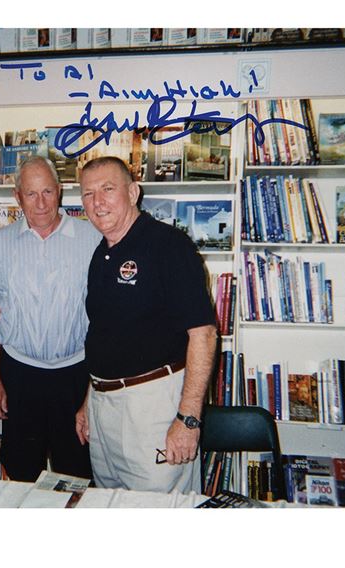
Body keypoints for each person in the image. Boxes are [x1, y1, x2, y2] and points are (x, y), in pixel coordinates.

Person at [76, 156, 217, 493]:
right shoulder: (101, 254)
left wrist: (187, 420)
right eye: (88, 194)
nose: (97, 202)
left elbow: (205, 334)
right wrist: (88, 400)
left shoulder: (168, 246)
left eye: (108, 189)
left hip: (153, 408)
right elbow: (104, 333)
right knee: (111, 506)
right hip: (103, 405)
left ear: (133, 191)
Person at [0, 156, 101, 482]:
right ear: (17, 197)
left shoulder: (92, 240)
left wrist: (92, 390)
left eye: (48, 192)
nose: (41, 203)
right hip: (19, 375)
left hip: (75, 374)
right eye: (31, 194)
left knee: (75, 475)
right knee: (19, 476)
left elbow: (104, 320)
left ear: (60, 192)